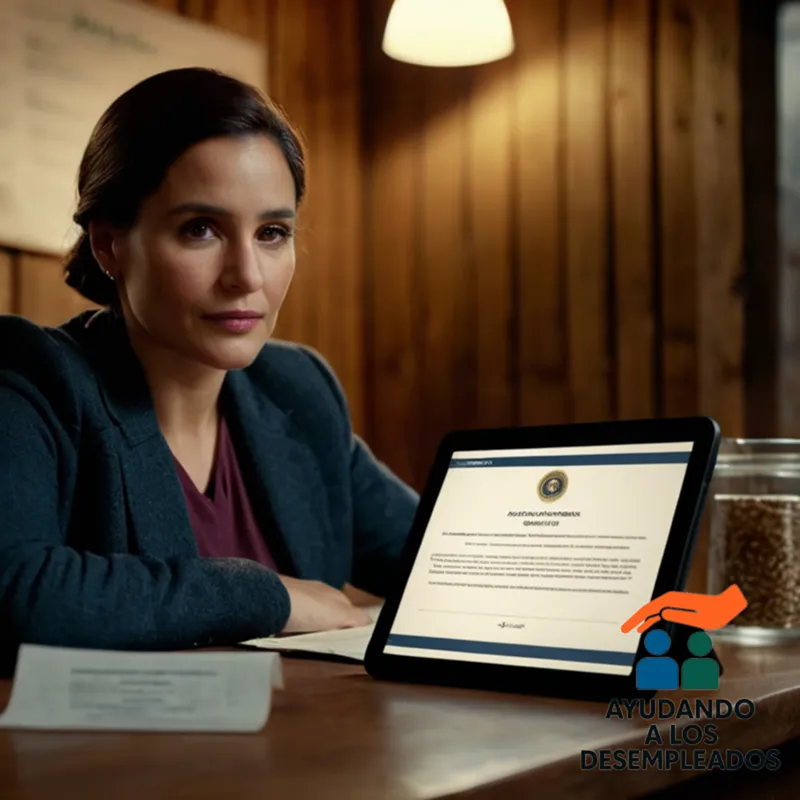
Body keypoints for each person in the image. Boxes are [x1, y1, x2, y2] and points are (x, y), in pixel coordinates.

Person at [0, 67, 418, 671]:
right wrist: (268, 596)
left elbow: (441, 561)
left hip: (318, 730)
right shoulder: (34, 378)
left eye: (272, 232)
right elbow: (15, 591)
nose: (247, 275)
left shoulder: (297, 389)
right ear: (109, 244)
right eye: (200, 230)